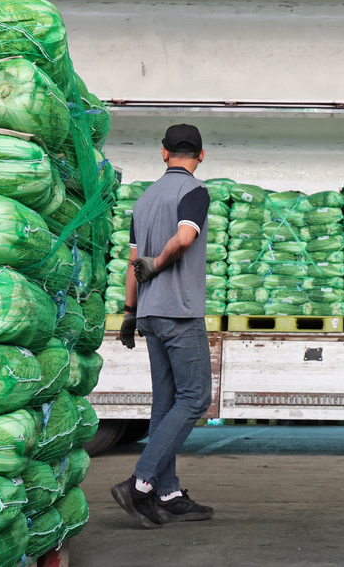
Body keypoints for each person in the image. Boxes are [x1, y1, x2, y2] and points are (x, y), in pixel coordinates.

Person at [111, 123, 215, 528]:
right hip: (179, 312)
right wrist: (159, 263)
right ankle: (141, 484)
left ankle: (168, 494)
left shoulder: (144, 200)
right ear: (201, 155)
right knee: (195, 397)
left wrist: (129, 311)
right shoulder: (194, 192)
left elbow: (132, 264)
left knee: (165, 404)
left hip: (151, 313)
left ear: (163, 153)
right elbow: (185, 239)